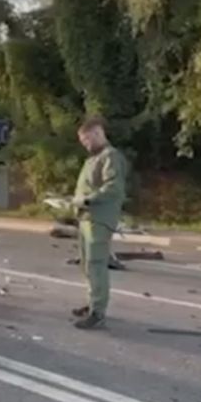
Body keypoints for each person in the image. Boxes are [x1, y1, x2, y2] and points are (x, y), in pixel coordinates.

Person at [71, 116, 127, 330]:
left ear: (97, 133)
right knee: (87, 264)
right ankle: (93, 302)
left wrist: (87, 200)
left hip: (99, 219)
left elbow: (113, 188)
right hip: (86, 218)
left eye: (86, 139)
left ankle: (98, 313)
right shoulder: (92, 159)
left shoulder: (110, 156)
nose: (85, 144)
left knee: (96, 265)